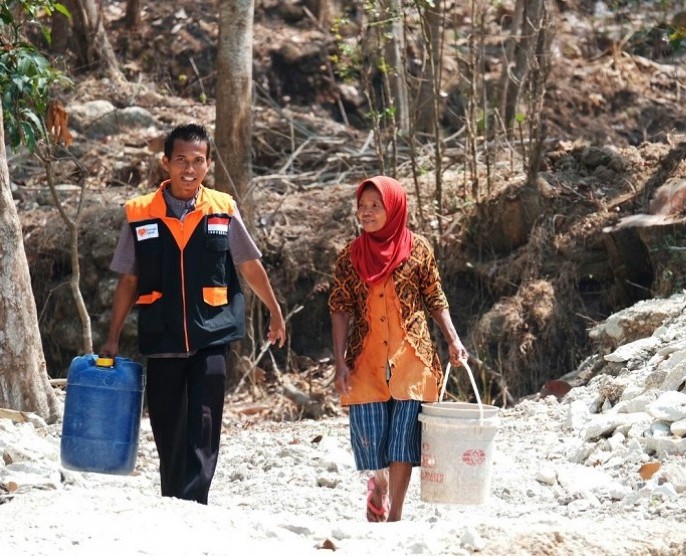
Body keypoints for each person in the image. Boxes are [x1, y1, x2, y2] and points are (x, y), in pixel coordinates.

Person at [99, 123, 286, 505]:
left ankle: (195, 498)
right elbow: (129, 280)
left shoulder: (223, 209)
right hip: (162, 336)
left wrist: (275, 310)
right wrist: (113, 336)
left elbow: (249, 265)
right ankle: (172, 497)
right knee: (167, 424)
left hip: (212, 334)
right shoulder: (140, 214)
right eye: (181, 160)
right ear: (165, 163)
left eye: (198, 161)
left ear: (209, 164)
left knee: (204, 420)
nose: (189, 169)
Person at [328, 175, 468, 522]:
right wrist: (339, 362)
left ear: (394, 208)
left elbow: (435, 297)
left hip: (412, 357)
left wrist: (452, 338)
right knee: (372, 440)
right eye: (362, 206)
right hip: (366, 357)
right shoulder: (350, 257)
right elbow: (339, 307)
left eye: (376, 206)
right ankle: (379, 483)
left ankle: (396, 517)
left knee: (404, 440)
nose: (367, 212)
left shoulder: (418, 249)